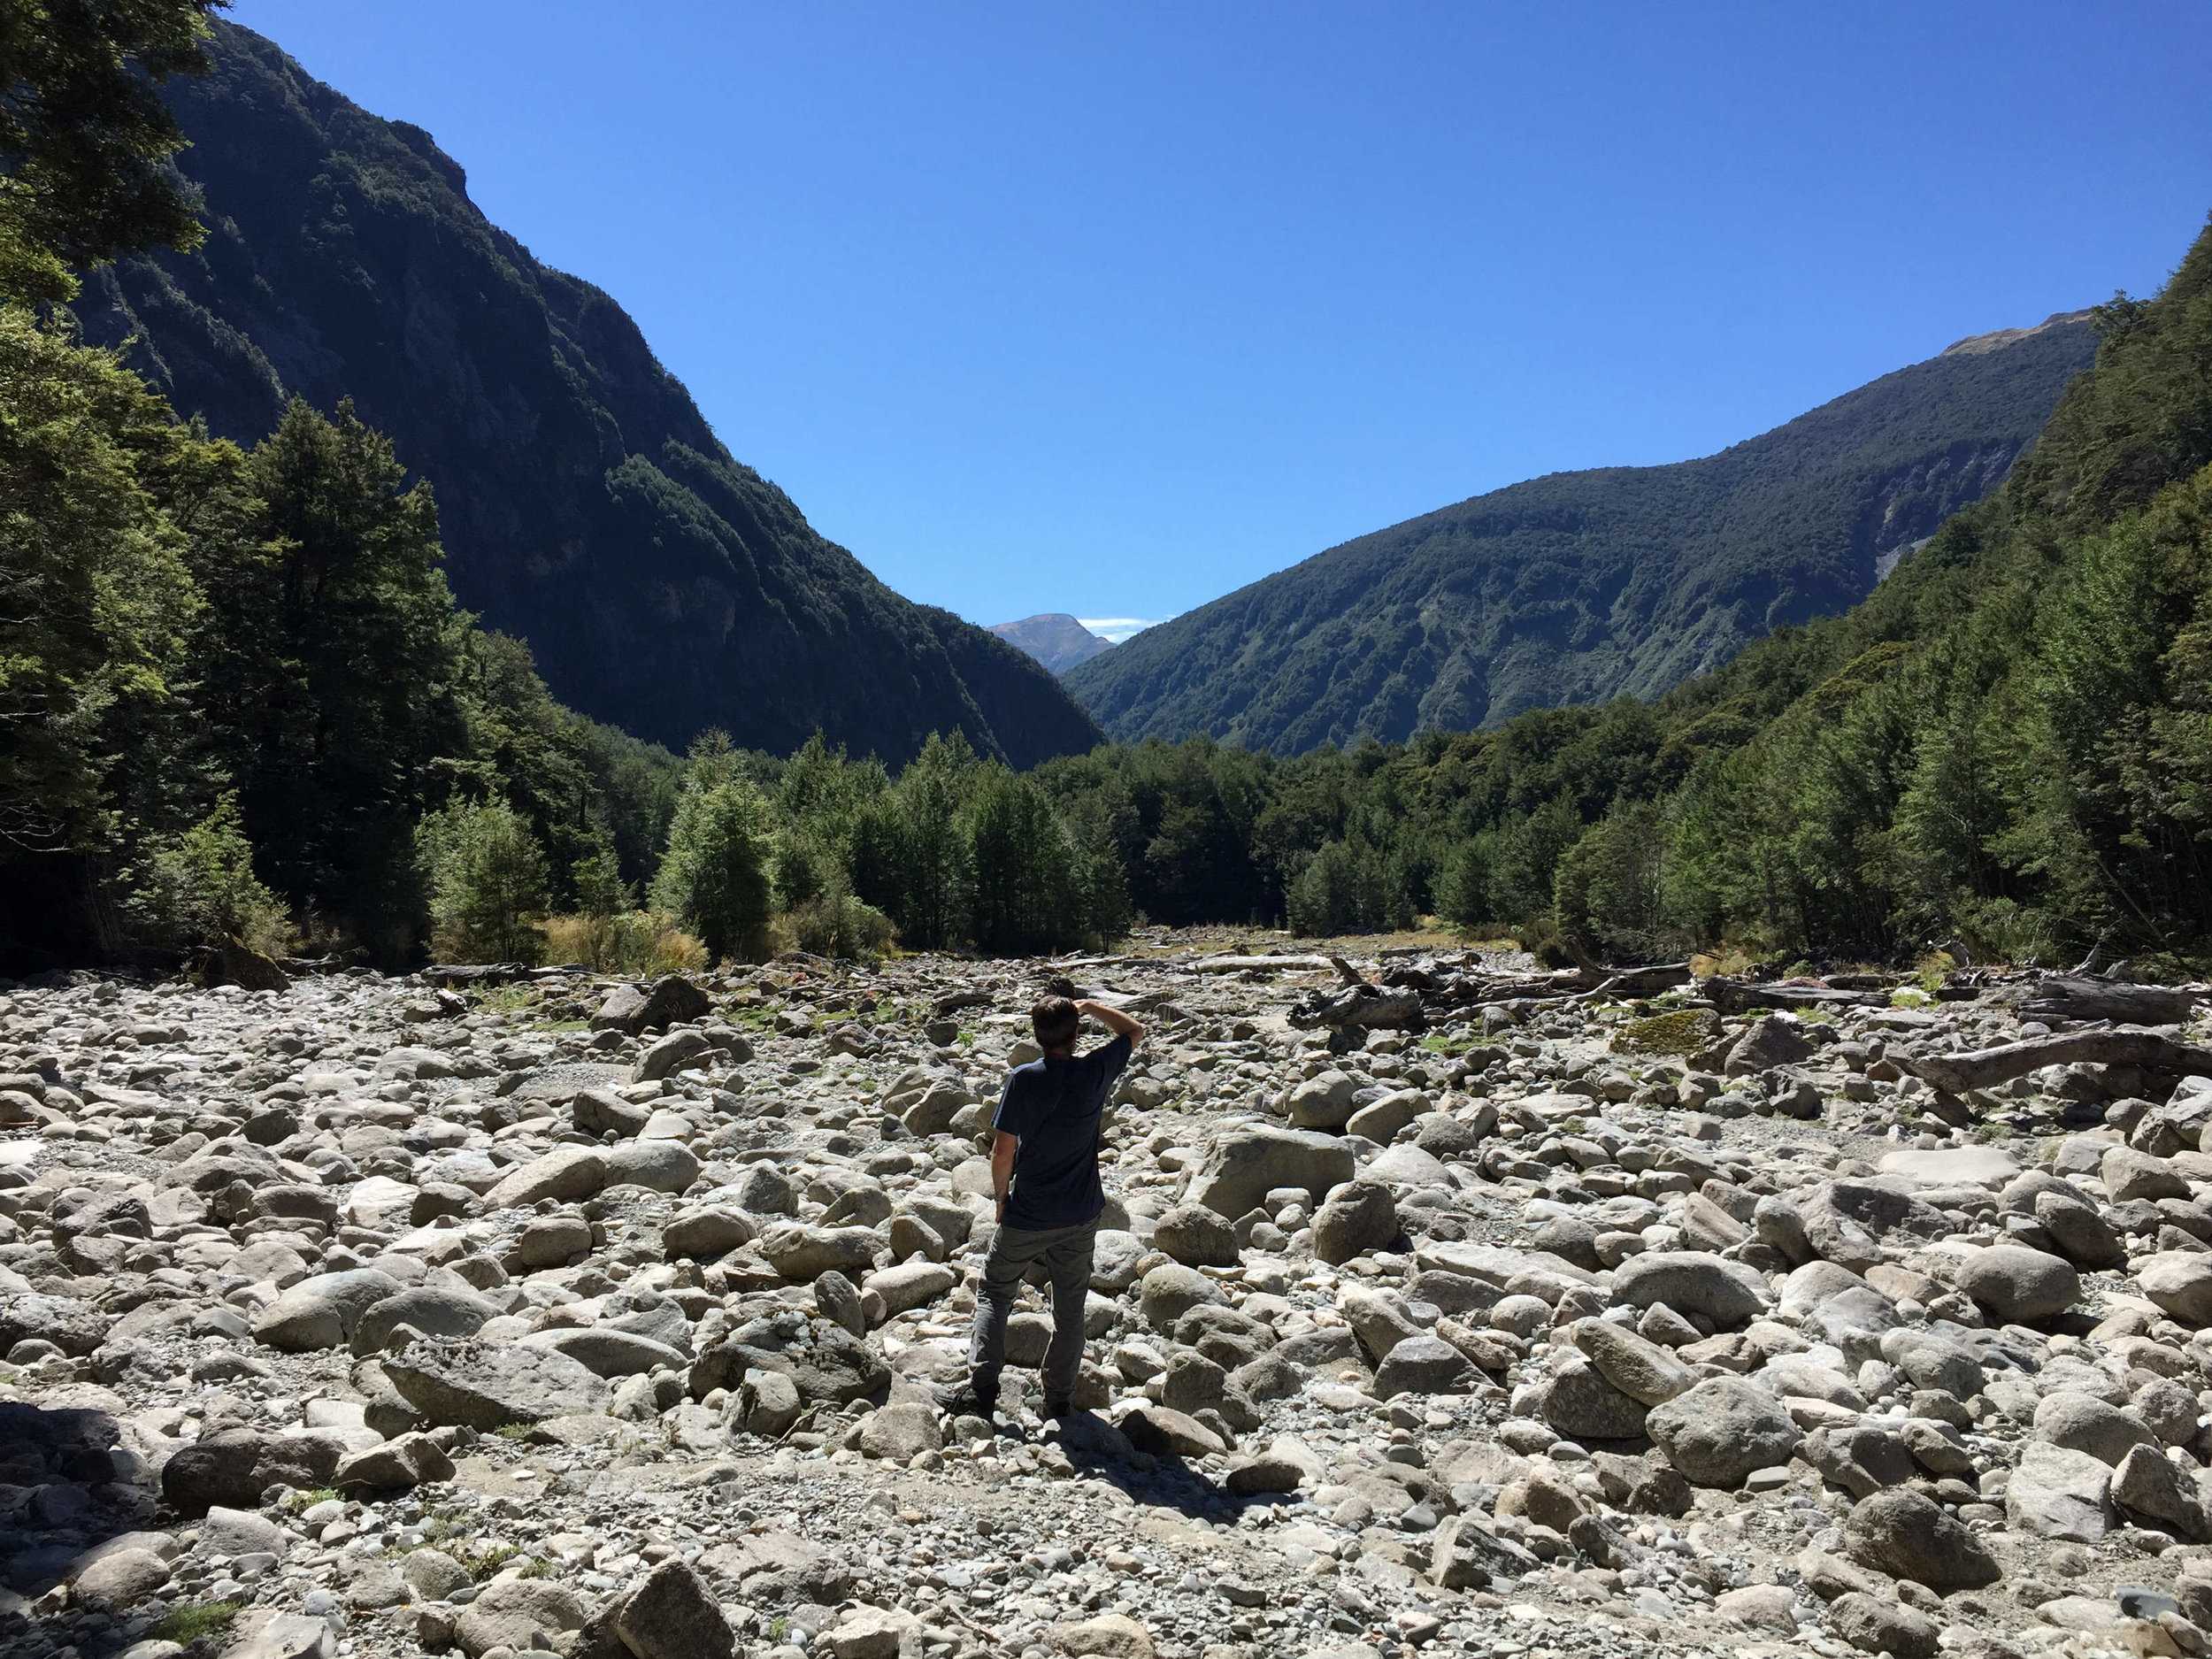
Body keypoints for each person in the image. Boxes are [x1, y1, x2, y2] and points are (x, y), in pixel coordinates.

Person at [948, 993, 1143, 1421]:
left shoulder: (1024, 1078)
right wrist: (1090, 1007)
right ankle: (1057, 1401)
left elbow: (1002, 1151)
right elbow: (1134, 1030)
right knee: (1070, 1309)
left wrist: (1001, 1199)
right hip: (1081, 1212)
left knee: (996, 1291)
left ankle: (982, 1390)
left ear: (1036, 1035)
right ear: (1076, 1034)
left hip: (1029, 1212)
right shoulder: (1095, 1070)